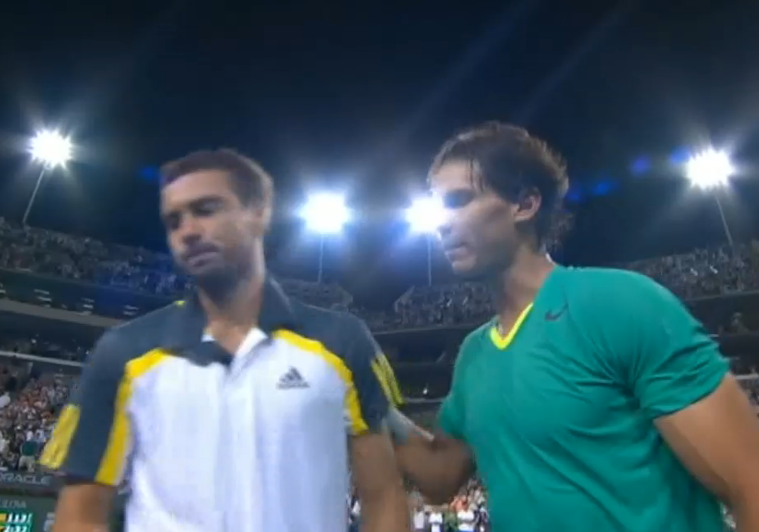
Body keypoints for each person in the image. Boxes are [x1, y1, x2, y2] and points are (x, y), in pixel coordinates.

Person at [387, 122, 759, 532]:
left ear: (525, 204)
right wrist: (368, 398)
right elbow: (440, 476)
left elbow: (750, 481)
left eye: (460, 200)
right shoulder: (474, 355)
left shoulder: (617, 304)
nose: (442, 223)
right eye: (439, 207)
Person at [40, 149, 410, 532]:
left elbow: (383, 497)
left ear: (258, 212)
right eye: (174, 221)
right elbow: (79, 516)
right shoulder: (124, 352)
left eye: (206, 209)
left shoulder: (340, 341)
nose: (187, 231)